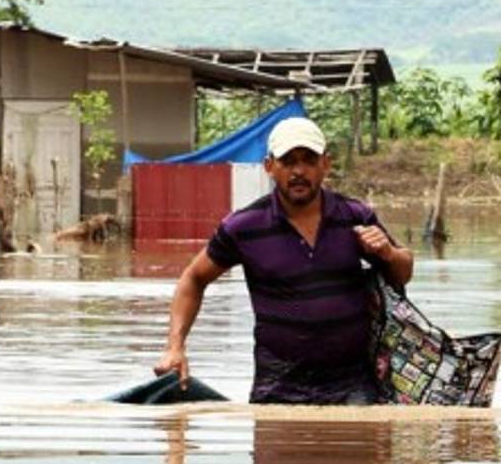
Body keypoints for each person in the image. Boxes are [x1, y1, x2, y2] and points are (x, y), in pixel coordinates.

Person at [155, 116, 414, 404]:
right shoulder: (244, 227)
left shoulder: (354, 217)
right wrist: (175, 347)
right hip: (277, 386)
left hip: (353, 385)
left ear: (325, 165)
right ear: (269, 167)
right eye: (288, 161)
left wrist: (387, 254)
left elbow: (403, 273)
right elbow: (193, 279)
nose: (299, 171)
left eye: (309, 160)